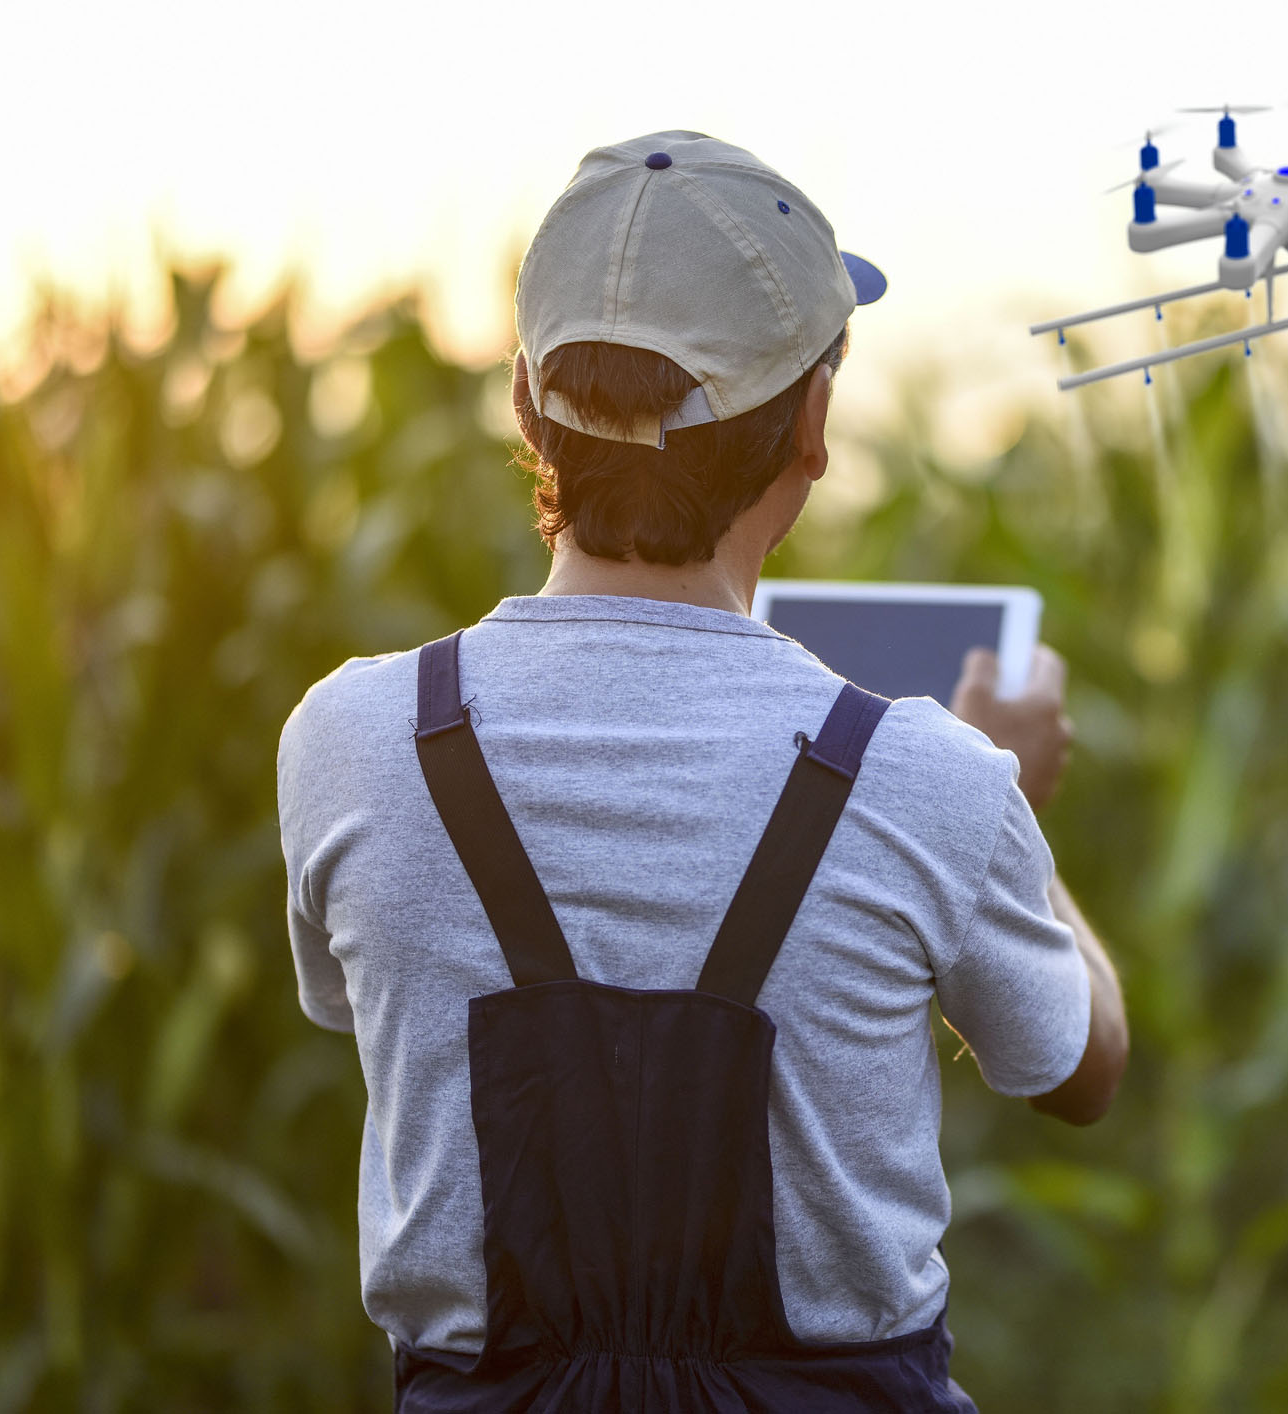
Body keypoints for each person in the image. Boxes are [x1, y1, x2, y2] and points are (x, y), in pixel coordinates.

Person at [274, 130, 1127, 1411]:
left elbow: (360, 1010)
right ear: (815, 424)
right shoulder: (931, 782)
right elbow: (1079, 1070)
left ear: (523, 400)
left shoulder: (351, 742)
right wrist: (1009, 797)